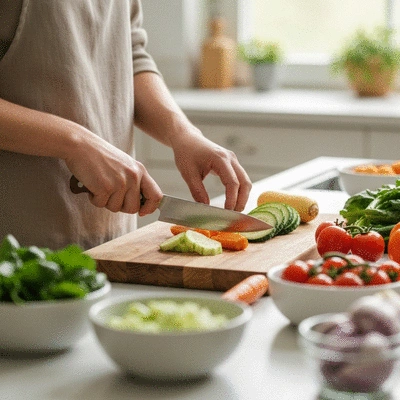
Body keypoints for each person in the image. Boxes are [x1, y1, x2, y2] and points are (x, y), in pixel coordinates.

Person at [0, 0, 252, 250]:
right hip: (17, 242)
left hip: (114, 236)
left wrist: (183, 134)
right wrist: (75, 143)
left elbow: (130, 55)